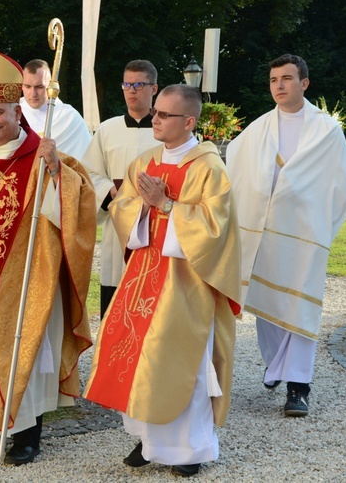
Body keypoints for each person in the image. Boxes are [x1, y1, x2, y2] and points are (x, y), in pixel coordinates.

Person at [0, 47, 95, 466]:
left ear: (17, 111)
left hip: (28, 272)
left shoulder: (43, 155)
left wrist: (54, 172)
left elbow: (81, 201)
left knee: (22, 343)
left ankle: (28, 433)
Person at [84, 84, 241, 477]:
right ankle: (149, 440)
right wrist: (142, 207)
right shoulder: (146, 160)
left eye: (165, 115)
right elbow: (122, 209)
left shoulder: (209, 167)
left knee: (179, 360)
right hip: (143, 277)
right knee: (139, 358)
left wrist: (166, 205)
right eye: (156, 112)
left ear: (189, 122)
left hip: (185, 282)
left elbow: (215, 228)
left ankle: (190, 450)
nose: (155, 119)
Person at [226, 54, 346, 417]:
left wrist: (323, 227)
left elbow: (343, 185)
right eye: (273, 80)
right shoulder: (258, 128)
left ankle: (298, 386)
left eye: (287, 78)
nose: (279, 85)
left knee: (299, 305)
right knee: (267, 304)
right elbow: (234, 168)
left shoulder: (327, 131)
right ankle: (275, 365)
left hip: (304, 235)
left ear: (304, 83)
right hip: (262, 232)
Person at [79, 60, 160, 318]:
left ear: (154, 88)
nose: (132, 90)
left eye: (139, 84)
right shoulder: (107, 129)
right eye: (127, 84)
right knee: (116, 294)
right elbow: (89, 172)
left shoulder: (166, 128)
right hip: (118, 223)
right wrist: (110, 192)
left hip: (156, 221)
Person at [19, 59, 91, 160]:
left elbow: (88, 162)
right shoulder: (13, 113)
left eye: (39, 87)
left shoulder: (69, 117)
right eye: (27, 86)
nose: (33, 93)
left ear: (50, 86)